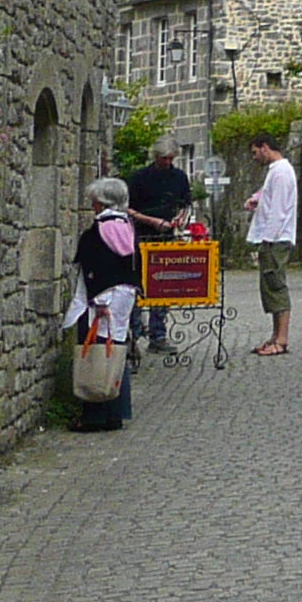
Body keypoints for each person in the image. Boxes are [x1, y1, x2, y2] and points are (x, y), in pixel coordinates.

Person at [67, 177, 142, 429]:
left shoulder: (97, 231)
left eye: (95, 201)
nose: (92, 205)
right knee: (116, 349)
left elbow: (96, 267)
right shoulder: (127, 226)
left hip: (104, 298)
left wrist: (100, 301)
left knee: (97, 351)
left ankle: (94, 413)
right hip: (125, 296)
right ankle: (116, 412)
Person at [125, 144, 192, 352]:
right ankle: (134, 335)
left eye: (171, 159)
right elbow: (128, 209)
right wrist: (151, 220)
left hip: (167, 237)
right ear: (155, 156)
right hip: (141, 235)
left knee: (162, 285)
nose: (167, 163)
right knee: (137, 284)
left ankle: (158, 335)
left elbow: (185, 203)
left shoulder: (179, 177)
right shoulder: (139, 178)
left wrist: (180, 217)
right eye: (164, 158)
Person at [243, 130, 298, 356]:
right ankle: (275, 336)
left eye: (255, 152)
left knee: (276, 286)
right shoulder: (276, 171)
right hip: (272, 237)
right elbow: (268, 195)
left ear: (265, 147)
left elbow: (279, 209)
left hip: (276, 238)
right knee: (269, 286)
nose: (255, 157)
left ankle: (282, 339)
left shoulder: (282, 171)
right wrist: (256, 199)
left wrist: (268, 238)